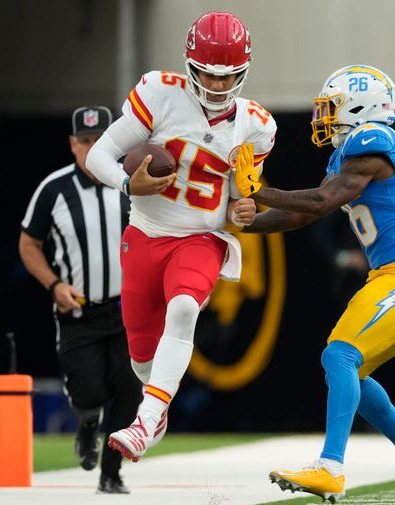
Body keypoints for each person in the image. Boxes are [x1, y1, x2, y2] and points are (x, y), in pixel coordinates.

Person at [236, 65, 395, 505]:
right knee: (351, 371)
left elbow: (322, 200)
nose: (324, 117)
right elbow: (307, 214)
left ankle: (331, 468)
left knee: (338, 355)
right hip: (391, 276)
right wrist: (244, 225)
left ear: (361, 108)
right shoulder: (348, 155)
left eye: (332, 108)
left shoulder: (372, 139)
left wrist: (260, 190)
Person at [85, 11, 271, 462]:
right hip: (145, 233)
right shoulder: (160, 93)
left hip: (200, 238)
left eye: (228, 77)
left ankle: (146, 419)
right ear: (190, 65)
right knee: (140, 352)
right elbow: (98, 156)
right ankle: (158, 401)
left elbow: (235, 202)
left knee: (185, 306)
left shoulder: (255, 125)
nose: (218, 85)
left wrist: (243, 208)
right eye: (208, 74)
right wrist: (132, 184)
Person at [20, 105, 162, 493]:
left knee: (129, 393)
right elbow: (28, 243)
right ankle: (86, 426)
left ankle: (110, 473)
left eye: (100, 139)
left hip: (125, 309)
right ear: (72, 144)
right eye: (84, 141)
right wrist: (53, 285)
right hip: (78, 310)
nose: (91, 147)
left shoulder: (132, 184)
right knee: (89, 394)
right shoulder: (53, 188)